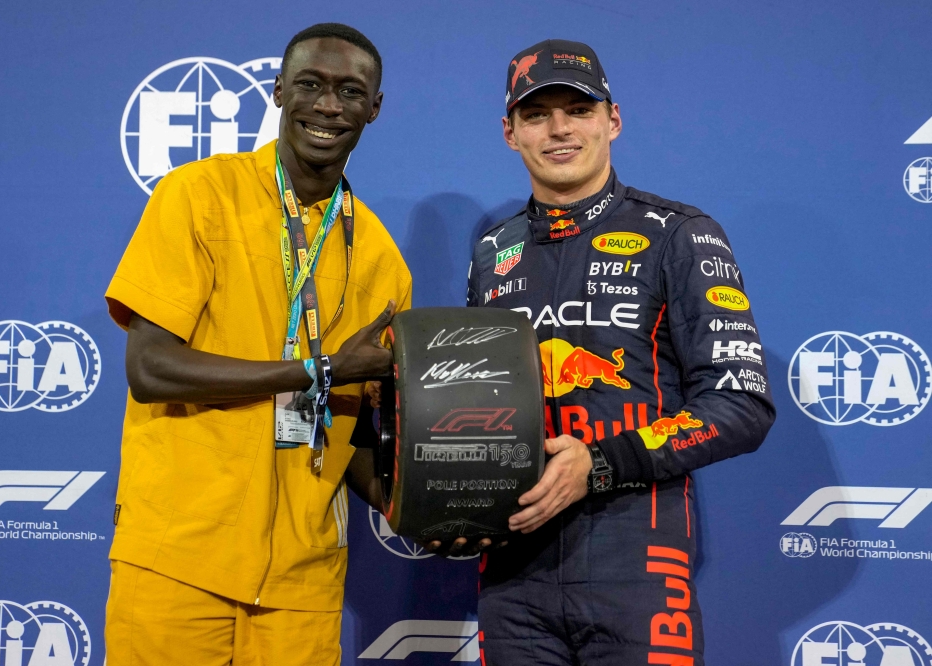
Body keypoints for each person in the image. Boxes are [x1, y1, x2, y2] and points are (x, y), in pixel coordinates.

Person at [102, 23, 411, 666]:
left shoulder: (382, 259)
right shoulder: (196, 195)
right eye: (311, 85)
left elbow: (351, 431)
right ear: (277, 91)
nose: (329, 106)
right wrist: (315, 368)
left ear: (374, 110)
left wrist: (415, 508)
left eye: (351, 92)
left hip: (303, 580)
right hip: (179, 558)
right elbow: (150, 368)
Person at [463, 39, 775, 665]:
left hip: (637, 563)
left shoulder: (682, 234)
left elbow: (742, 404)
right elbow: (475, 404)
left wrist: (599, 463)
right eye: (536, 113)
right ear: (509, 133)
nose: (558, 129)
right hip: (513, 570)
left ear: (613, 119)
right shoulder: (492, 252)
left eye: (577, 109)